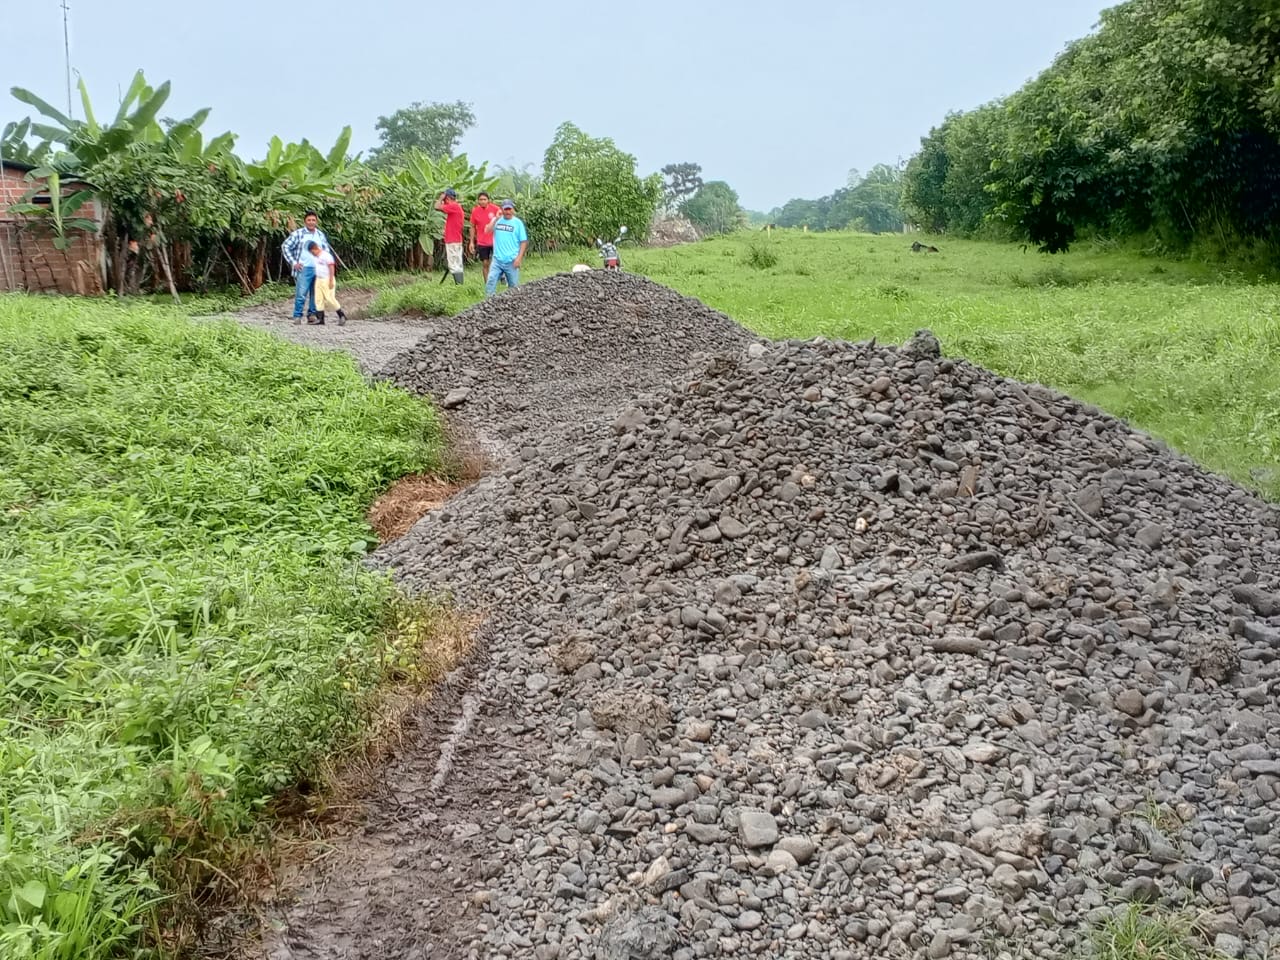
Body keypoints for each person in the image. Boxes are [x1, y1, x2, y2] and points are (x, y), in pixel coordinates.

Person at [281, 210, 330, 324]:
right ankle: (297, 316)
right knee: (301, 293)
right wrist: (293, 262)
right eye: (309, 220)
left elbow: (326, 249)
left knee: (316, 293)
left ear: (316, 222)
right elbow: (285, 246)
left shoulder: (320, 235)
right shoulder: (298, 234)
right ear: (305, 221)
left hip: (318, 268)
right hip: (304, 268)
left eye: (313, 220)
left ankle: (312, 315)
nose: (311, 222)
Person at [483, 199, 528, 297]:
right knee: (491, 281)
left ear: (513, 209)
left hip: (512, 260)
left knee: (513, 286)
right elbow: (487, 230)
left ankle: (513, 303)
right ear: (502, 210)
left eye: (509, 209)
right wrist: (495, 219)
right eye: (505, 209)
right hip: (497, 260)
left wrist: (519, 258)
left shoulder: (518, 223)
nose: (508, 212)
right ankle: (488, 302)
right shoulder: (497, 221)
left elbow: (523, 242)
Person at [307, 240, 346, 325]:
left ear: (315, 248)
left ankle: (341, 315)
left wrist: (331, 280)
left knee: (329, 298)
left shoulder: (326, 256)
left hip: (327, 278)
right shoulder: (316, 257)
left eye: (312, 252)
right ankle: (320, 319)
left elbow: (331, 267)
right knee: (318, 299)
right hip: (319, 279)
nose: (312, 254)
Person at [435, 188, 466, 284]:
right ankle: (459, 284)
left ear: (447, 198)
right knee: (456, 262)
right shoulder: (455, 207)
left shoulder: (453, 206)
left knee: (455, 264)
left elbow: (436, 206)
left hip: (453, 240)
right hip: (455, 239)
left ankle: (459, 284)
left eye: (445, 199)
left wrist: (440, 198)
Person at [468, 191, 499, 284]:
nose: (482, 201)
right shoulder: (475, 211)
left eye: (484, 199)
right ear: (478, 201)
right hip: (482, 242)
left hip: (495, 240)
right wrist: (471, 242)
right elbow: (472, 226)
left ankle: (501, 277)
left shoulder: (495, 209)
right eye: (480, 200)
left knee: (498, 261)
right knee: (485, 263)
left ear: (488, 200)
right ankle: (488, 284)